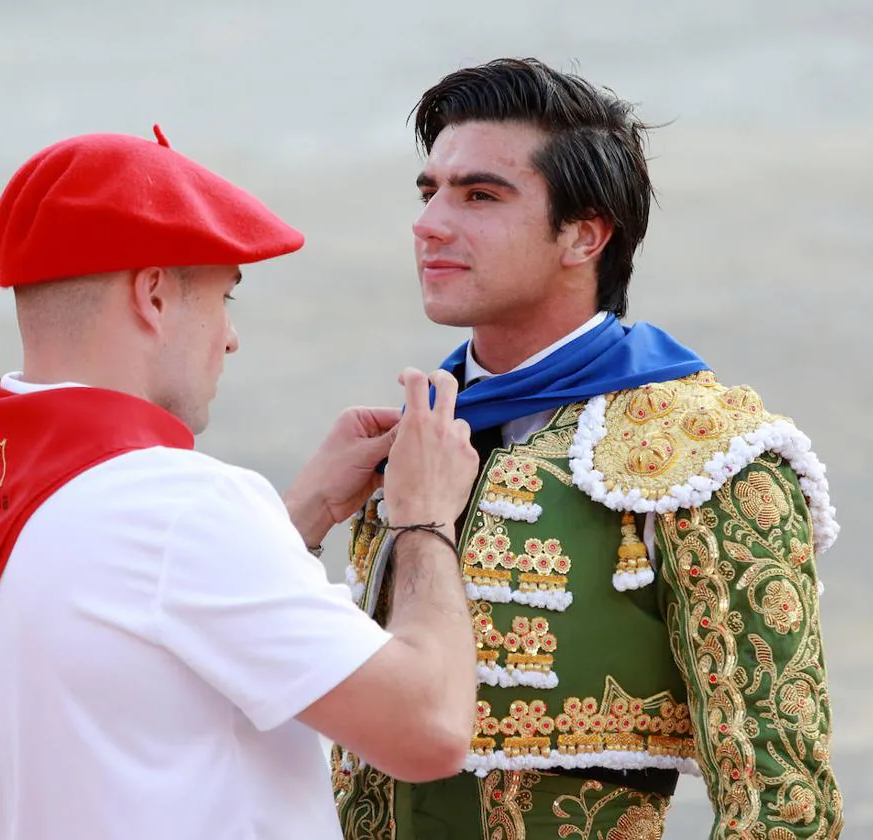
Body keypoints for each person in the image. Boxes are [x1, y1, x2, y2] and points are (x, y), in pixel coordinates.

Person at [0, 126, 481, 840]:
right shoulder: (185, 511)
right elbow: (430, 728)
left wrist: (305, 511)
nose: (230, 336)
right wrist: (424, 518)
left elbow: (131, 619)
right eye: (225, 296)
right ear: (155, 296)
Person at [332, 59, 843, 838]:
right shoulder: (412, 436)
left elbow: (782, 805)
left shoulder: (705, 460)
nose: (430, 222)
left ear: (584, 234)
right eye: (429, 190)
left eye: (478, 195)